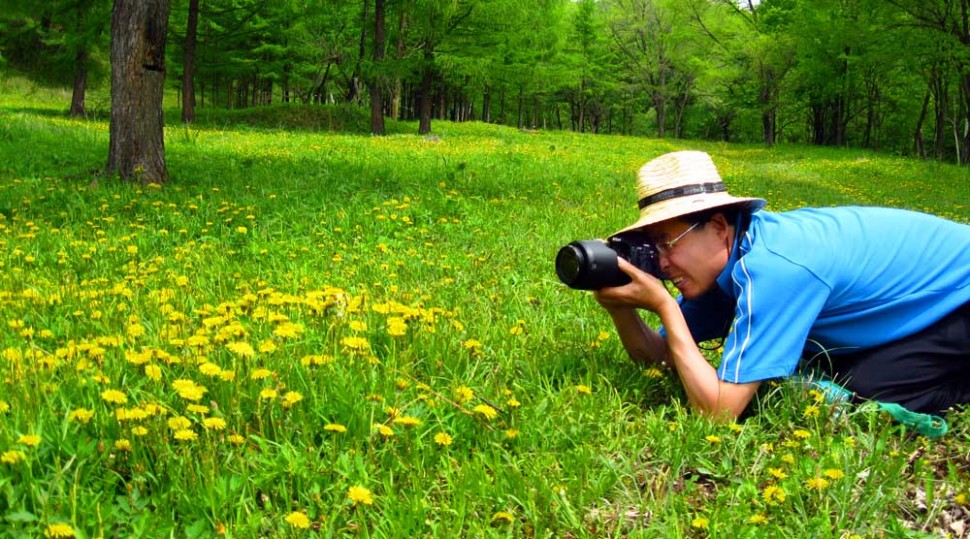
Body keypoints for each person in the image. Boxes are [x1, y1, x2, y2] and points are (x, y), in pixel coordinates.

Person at [594, 150, 970, 420]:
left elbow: (719, 413)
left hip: (961, 296)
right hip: (930, 300)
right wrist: (620, 307)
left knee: (867, 392)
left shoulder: (774, 268)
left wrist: (664, 305)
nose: (661, 263)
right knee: (835, 370)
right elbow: (662, 357)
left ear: (719, 226)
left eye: (668, 243)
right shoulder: (729, 259)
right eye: (653, 248)